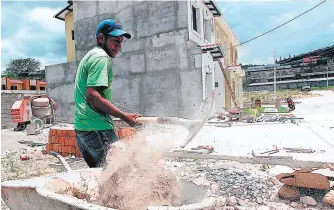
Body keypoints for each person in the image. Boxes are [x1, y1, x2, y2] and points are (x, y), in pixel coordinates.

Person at [74, 19, 141, 168]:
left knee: (101, 177)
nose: (119, 46)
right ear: (101, 38)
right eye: (115, 41)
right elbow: (93, 96)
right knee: (120, 173)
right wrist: (124, 116)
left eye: (121, 41)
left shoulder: (90, 56)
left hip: (83, 129)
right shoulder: (101, 58)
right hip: (97, 129)